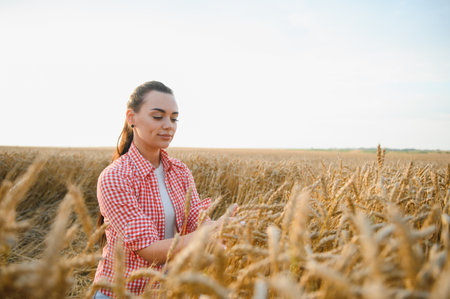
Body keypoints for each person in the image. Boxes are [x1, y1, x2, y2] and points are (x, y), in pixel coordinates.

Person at [93, 81, 231, 298]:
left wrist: (227, 228)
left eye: (174, 118)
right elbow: (148, 250)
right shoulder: (115, 177)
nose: (169, 125)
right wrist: (207, 234)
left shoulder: (180, 171)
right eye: (158, 116)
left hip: (164, 292)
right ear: (131, 118)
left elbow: (197, 221)